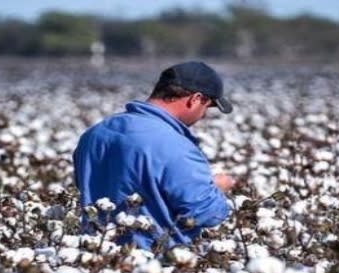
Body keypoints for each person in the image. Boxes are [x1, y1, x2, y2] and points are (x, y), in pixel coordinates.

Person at [73, 61, 236, 250]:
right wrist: (217, 189)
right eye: (207, 106)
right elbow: (205, 213)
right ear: (195, 99)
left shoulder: (95, 134)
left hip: (93, 257)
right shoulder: (176, 146)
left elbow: (86, 186)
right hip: (156, 266)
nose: (204, 115)